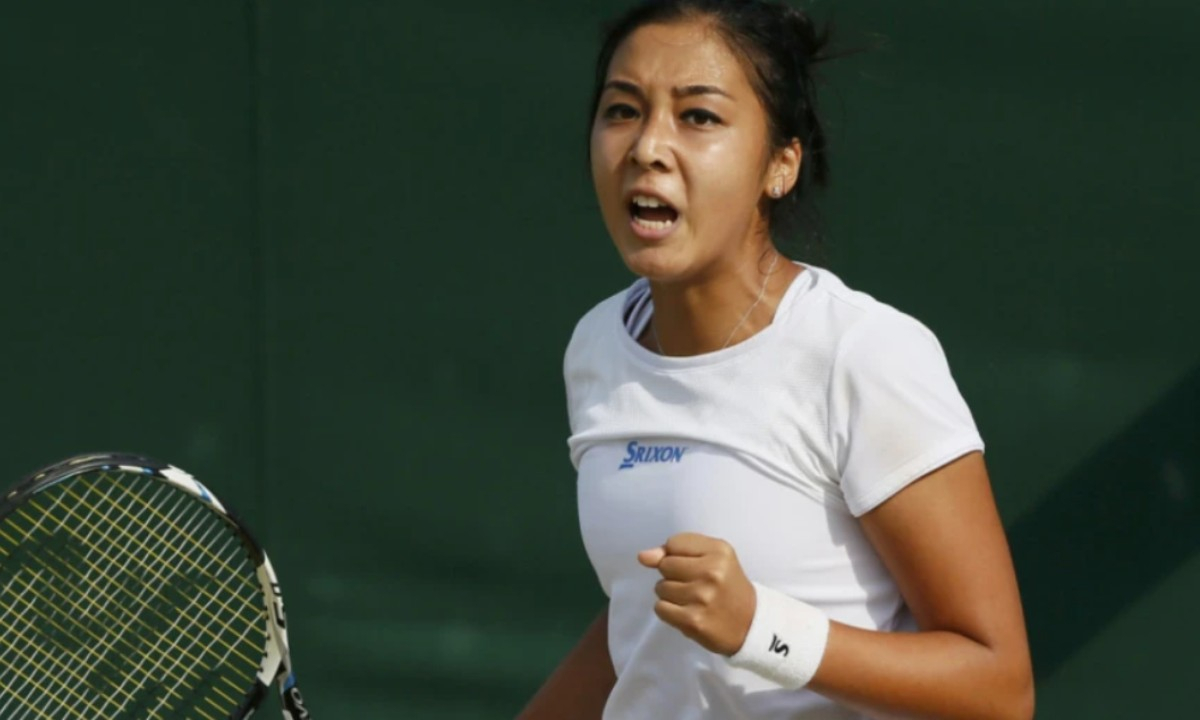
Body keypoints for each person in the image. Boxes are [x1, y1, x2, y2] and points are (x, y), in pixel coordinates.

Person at [519, 1, 1033, 717]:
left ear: (780, 165)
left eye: (699, 117)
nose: (647, 147)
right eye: (622, 111)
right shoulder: (599, 345)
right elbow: (643, 621)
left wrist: (763, 629)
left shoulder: (861, 354)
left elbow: (999, 687)